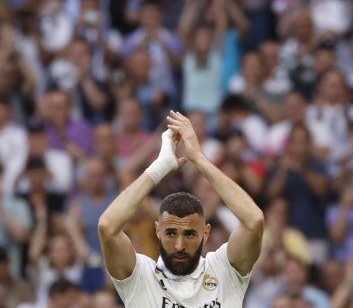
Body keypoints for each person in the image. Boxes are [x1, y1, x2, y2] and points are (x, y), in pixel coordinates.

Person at [97, 110, 264, 307]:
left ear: (206, 232)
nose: (179, 245)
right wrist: (159, 167)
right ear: (158, 230)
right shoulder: (141, 277)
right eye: (170, 233)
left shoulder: (224, 269)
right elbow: (107, 227)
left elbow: (254, 221)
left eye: (190, 234)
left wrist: (198, 158)